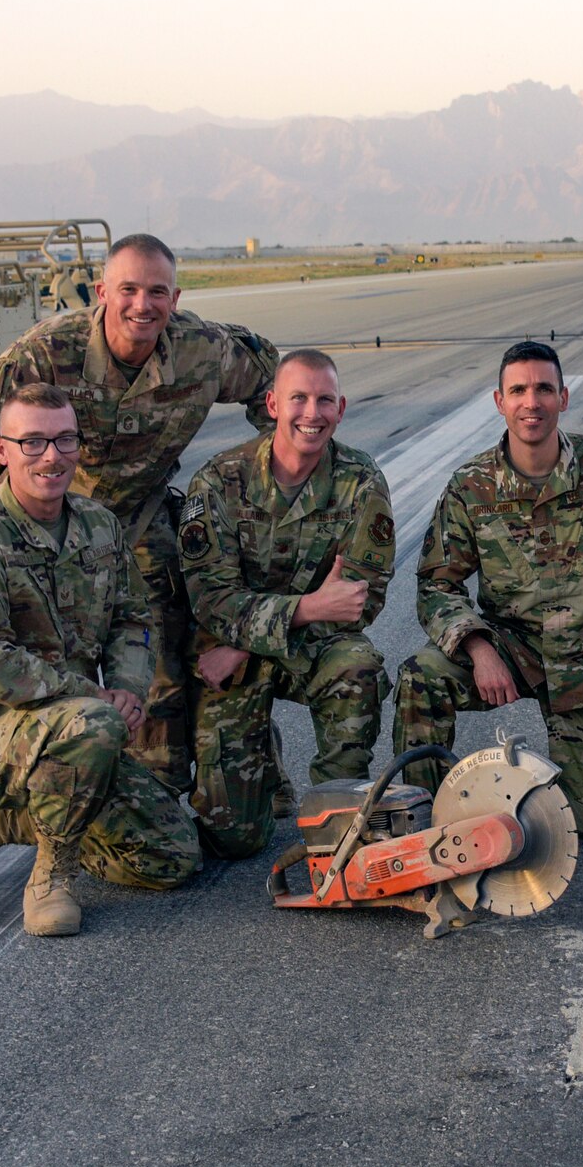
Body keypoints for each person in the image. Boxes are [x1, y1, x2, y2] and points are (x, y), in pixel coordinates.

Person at [0, 233, 280, 790]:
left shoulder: (203, 349)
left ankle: (164, 783)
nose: (142, 305)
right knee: (32, 668)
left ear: (175, 295)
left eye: (157, 292)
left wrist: (265, 479)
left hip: (138, 521)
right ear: (102, 292)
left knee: (165, 648)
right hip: (45, 527)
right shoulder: (47, 352)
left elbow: (275, 390)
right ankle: (4, 792)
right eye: (129, 289)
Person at [0, 382, 200, 936]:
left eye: (65, 440)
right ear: (1, 450)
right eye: (33, 443)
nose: (52, 457)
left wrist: (127, 688)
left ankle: (7, 819)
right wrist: (97, 698)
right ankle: (51, 875)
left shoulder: (98, 525)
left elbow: (133, 617)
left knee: (170, 859)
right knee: (94, 727)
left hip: (68, 721)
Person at [391, 341, 583, 846]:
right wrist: (475, 647)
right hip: (509, 647)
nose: (531, 402)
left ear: (563, 397)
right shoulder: (470, 486)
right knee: (421, 678)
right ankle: (418, 822)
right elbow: (436, 583)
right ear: (499, 401)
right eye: (518, 390)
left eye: (543, 389)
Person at [177, 349, 394, 858]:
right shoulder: (219, 481)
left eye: (324, 401)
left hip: (284, 648)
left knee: (356, 666)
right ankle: (265, 762)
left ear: (341, 409)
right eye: (298, 398)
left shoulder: (361, 482)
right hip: (230, 650)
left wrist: (252, 643)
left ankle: (338, 818)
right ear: (273, 403)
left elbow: (358, 604)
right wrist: (308, 607)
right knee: (235, 840)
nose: (311, 414)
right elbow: (211, 600)